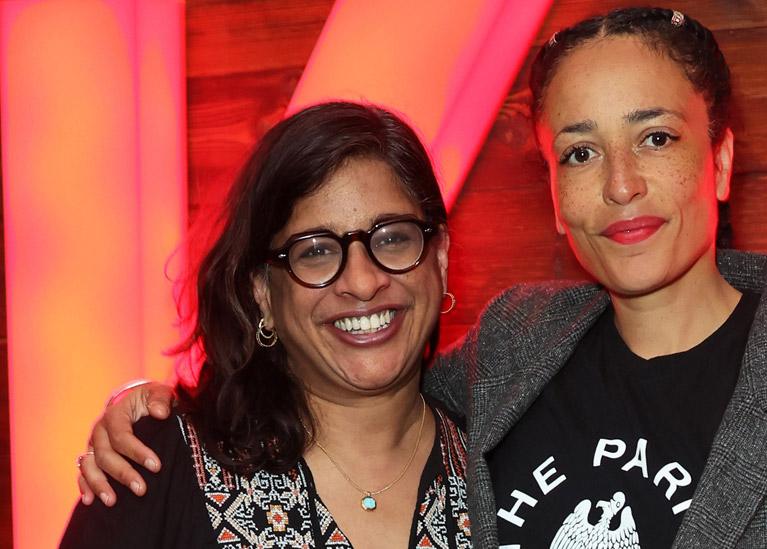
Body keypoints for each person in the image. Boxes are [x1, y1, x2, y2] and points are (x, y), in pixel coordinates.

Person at [77, 7, 767, 548]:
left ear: (719, 159)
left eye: (655, 137)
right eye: (579, 150)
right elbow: (335, 378)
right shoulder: (516, 343)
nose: (620, 184)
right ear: (555, 195)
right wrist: (144, 399)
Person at [62, 102, 471, 548]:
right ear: (263, 292)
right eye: (315, 250)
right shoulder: (153, 464)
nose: (363, 281)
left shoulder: (506, 463)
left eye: (392, 238)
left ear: (441, 258)